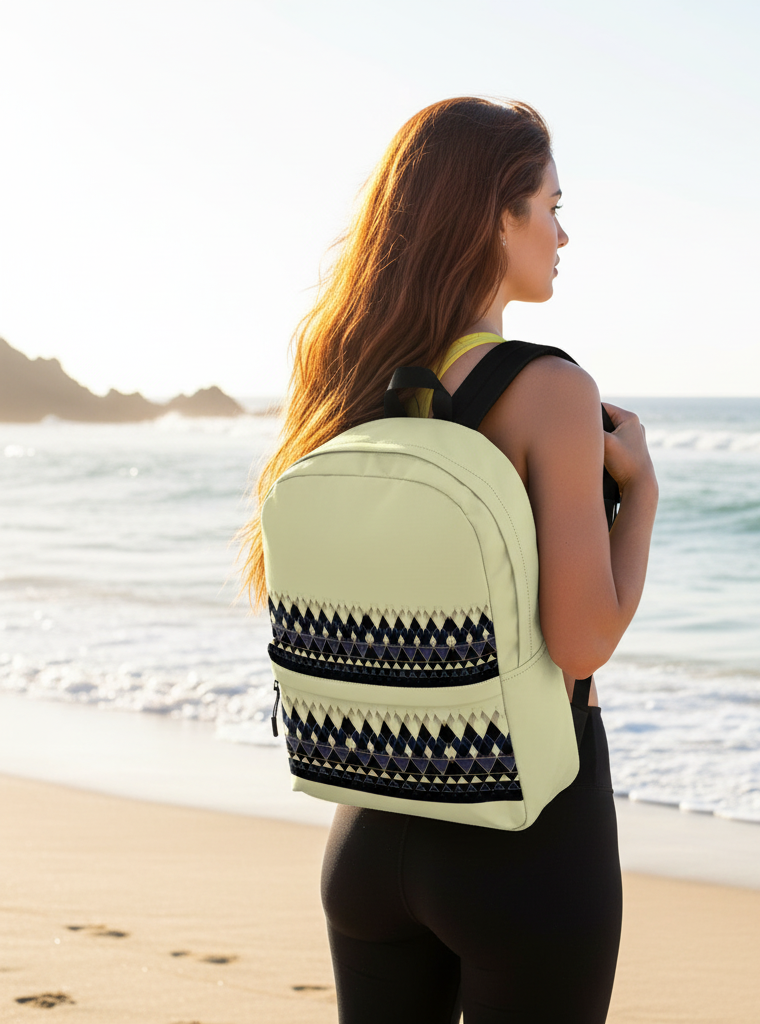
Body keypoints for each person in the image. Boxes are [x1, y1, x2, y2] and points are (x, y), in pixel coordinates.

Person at [240, 97, 658, 1024]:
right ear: (494, 218)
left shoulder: (346, 377)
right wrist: (643, 498)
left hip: (369, 825)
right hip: (520, 835)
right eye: (550, 205)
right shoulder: (550, 391)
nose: (562, 232)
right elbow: (581, 642)